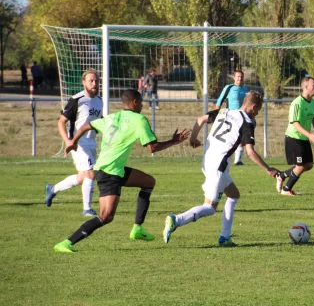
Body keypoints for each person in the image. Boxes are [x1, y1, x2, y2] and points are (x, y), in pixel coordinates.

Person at [53, 89, 189, 253]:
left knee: (148, 182)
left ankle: (137, 229)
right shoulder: (138, 119)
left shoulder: (112, 117)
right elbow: (152, 147)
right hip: (110, 172)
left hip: (109, 168)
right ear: (134, 103)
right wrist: (174, 142)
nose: (142, 106)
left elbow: (86, 126)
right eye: (141, 103)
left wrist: (73, 141)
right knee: (106, 216)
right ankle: (67, 243)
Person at [163, 91, 279, 246]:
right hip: (218, 166)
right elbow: (250, 152)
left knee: (233, 195)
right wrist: (268, 169)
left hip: (208, 160)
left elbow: (201, 119)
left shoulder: (225, 111)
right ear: (253, 107)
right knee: (209, 208)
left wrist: (193, 138)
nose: (257, 114)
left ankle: (225, 238)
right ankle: (176, 220)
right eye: (257, 111)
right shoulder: (247, 123)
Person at [45, 69, 103, 216]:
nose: (94, 83)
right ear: (84, 83)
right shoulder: (77, 100)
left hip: (91, 142)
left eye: (96, 80)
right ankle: (87, 209)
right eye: (91, 81)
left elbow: (97, 122)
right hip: (78, 143)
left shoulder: (99, 100)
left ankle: (53, 189)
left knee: (82, 177)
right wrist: (68, 141)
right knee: (90, 174)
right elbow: (61, 122)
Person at [275, 76, 314, 196]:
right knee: (300, 166)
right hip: (293, 138)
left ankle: (281, 175)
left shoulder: (313, 103)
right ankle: (286, 189)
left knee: (308, 165)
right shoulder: (297, 103)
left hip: (304, 138)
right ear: (306, 87)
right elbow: (295, 124)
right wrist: (310, 135)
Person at [215, 70, 249, 165]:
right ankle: (222, 158)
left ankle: (237, 160)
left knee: (241, 138)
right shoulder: (229, 88)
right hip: (230, 117)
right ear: (234, 78)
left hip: (242, 117)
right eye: (238, 76)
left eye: (241, 76)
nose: (240, 78)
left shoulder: (245, 90)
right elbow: (220, 101)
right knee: (229, 139)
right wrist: (216, 114)